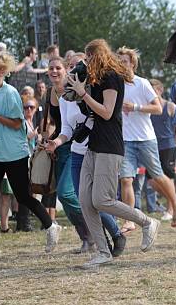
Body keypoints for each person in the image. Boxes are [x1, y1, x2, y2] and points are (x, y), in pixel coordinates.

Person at [66, 39, 160, 268]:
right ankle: (103, 251)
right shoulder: (96, 80)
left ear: (96, 56)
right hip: (93, 146)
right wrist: (78, 91)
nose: (86, 64)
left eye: (88, 59)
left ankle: (147, 221)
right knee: (85, 202)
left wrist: (84, 94)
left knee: (102, 199)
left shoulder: (111, 77)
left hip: (110, 147)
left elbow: (107, 113)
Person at [0, 53, 60, 258]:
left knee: (23, 197)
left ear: (2, 72)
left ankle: (50, 225)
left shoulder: (10, 93)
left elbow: (17, 124)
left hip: (14, 154)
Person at [46, 67, 127, 257]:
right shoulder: (65, 98)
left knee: (98, 201)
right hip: (77, 153)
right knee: (84, 201)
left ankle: (116, 234)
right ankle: (103, 241)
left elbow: (106, 115)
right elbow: (66, 128)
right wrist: (56, 142)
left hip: (98, 152)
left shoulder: (94, 93)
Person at [115, 47, 176, 232]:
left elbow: (158, 109)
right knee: (126, 180)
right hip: (125, 140)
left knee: (159, 176)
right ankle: (129, 220)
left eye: (124, 61)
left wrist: (135, 107)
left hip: (146, 138)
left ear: (132, 64)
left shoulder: (142, 83)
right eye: (118, 61)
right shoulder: (116, 85)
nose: (121, 65)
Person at [40, 56, 92, 252]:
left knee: (66, 193)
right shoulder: (51, 92)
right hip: (60, 146)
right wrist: (47, 140)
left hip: (76, 145)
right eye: (51, 68)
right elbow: (54, 122)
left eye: (59, 68)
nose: (54, 71)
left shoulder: (77, 89)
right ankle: (86, 238)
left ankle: (98, 227)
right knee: (65, 196)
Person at [149, 78, 176, 221]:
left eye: (153, 89)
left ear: (160, 90)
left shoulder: (170, 106)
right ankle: (175, 200)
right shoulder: (148, 108)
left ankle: (171, 209)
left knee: (168, 179)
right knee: (152, 182)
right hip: (152, 147)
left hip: (169, 146)